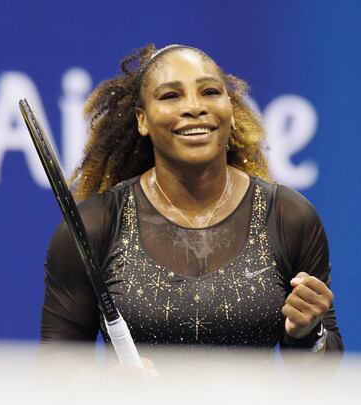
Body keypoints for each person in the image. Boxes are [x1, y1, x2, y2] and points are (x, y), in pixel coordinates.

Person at [41, 44, 343, 355]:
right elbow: (56, 375)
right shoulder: (95, 226)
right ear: (142, 120)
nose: (194, 107)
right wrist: (106, 387)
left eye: (210, 92)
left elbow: (322, 372)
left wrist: (310, 334)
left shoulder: (289, 218)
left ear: (232, 110)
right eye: (171, 96)